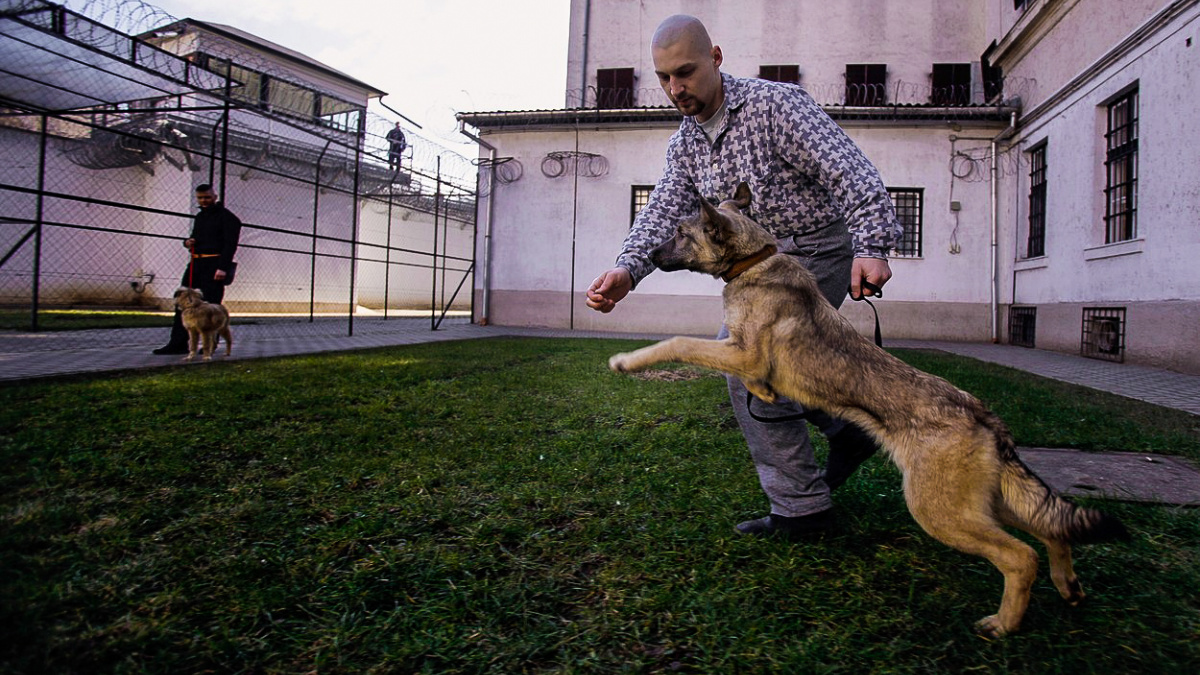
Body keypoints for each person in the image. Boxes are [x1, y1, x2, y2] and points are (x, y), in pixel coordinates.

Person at [586, 15, 903, 539]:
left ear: (715, 57)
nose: (675, 88)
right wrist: (627, 268)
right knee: (768, 370)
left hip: (817, 249)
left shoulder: (777, 106)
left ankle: (804, 511)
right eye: (664, 77)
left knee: (744, 364)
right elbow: (666, 210)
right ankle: (844, 433)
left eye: (685, 72)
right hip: (757, 266)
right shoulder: (686, 143)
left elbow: (848, 169)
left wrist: (871, 245)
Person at [153, 184, 242, 355]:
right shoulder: (200, 217)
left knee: (211, 305)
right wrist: (188, 242)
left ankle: (211, 344)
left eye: (207, 197)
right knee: (184, 303)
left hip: (214, 264)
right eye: (200, 198)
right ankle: (178, 343)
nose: (204, 201)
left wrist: (222, 267)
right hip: (195, 264)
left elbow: (230, 245)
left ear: (215, 197)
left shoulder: (228, 218)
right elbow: (196, 238)